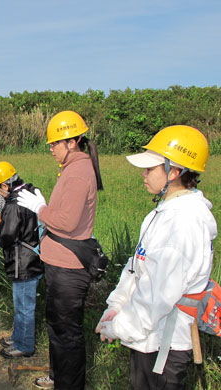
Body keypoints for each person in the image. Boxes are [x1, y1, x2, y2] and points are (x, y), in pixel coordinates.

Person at [95, 125, 216, 390]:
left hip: (165, 344)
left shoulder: (184, 223)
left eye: (150, 169)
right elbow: (137, 266)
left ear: (173, 172)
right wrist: (116, 305)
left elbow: (158, 296)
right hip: (148, 338)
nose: (143, 174)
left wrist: (119, 328)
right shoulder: (162, 213)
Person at [17, 111, 104, 389]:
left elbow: (67, 221)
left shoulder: (78, 172)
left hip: (68, 269)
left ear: (72, 142)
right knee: (57, 327)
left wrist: (39, 209)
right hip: (59, 265)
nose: (51, 149)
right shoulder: (72, 168)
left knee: (67, 334)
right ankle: (58, 377)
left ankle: (69, 384)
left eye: (55, 144)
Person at [0, 161, 44, 359]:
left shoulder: (14, 206)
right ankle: (18, 337)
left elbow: (6, 238)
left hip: (23, 263)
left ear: (5, 186)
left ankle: (24, 346)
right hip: (32, 259)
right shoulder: (29, 193)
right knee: (21, 305)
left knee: (24, 307)